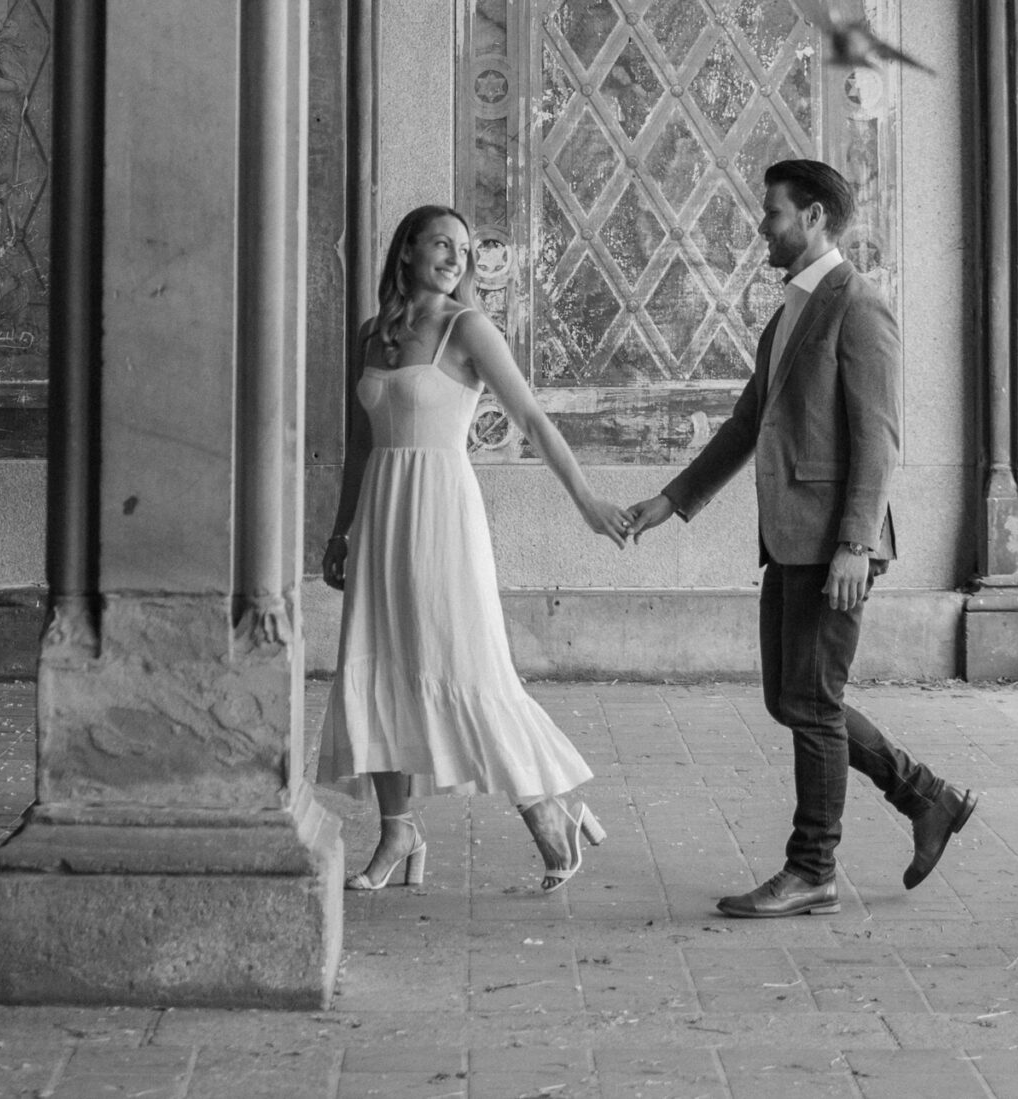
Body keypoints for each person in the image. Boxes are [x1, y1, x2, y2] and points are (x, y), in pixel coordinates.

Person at [626, 159, 978, 917]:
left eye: (774, 213)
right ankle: (926, 797)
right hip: (791, 538)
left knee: (811, 702)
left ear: (813, 217)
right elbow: (747, 426)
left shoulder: (858, 306)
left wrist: (856, 542)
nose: (763, 225)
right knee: (794, 699)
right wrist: (671, 500)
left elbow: (878, 438)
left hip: (834, 544)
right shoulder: (787, 312)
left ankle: (812, 867)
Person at [317, 204, 636, 893]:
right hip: (380, 510)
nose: (457, 256)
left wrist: (586, 503)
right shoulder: (373, 333)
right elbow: (358, 446)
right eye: (442, 243)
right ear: (406, 251)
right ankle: (398, 829)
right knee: (377, 663)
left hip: (442, 515)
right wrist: (342, 529)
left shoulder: (469, 328)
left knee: (467, 665)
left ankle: (552, 812)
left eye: (463, 248)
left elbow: (531, 416)